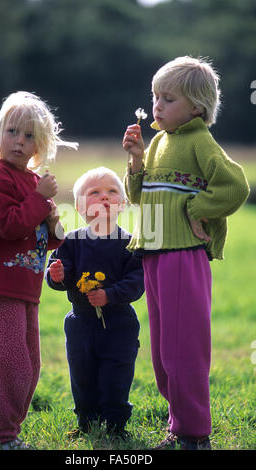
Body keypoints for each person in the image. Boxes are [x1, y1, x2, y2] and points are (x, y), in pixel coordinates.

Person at [122, 56, 250, 450]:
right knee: (163, 352)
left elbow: (236, 186)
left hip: (183, 257)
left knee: (184, 350)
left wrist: (197, 210)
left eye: (168, 98)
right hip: (155, 254)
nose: (157, 105)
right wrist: (137, 160)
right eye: (155, 96)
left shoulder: (199, 141)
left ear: (196, 107)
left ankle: (194, 434)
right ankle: (178, 424)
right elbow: (138, 198)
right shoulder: (160, 141)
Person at [0, 91, 78, 450]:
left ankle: (9, 434)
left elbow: (44, 237)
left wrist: (54, 222)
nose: (19, 141)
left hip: (26, 288)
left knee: (29, 368)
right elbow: (8, 226)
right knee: (9, 368)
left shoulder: (31, 182)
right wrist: (38, 199)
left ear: (39, 145)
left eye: (29, 136)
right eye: (12, 132)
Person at [46, 167, 144, 440]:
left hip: (119, 323)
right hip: (80, 322)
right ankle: (86, 422)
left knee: (117, 374)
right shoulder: (71, 242)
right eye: (94, 193)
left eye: (112, 192)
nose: (104, 198)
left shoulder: (129, 243)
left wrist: (110, 294)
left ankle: (115, 424)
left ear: (122, 205)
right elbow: (57, 270)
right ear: (79, 206)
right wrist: (56, 275)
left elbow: (137, 281)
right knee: (82, 374)